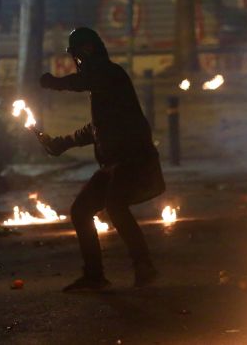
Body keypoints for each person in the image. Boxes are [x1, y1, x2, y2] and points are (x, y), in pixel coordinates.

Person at [38, 27, 165, 292]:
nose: (77, 63)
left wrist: (54, 82)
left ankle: (144, 266)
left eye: (78, 57)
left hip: (133, 161)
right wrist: (62, 143)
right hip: (113, 165)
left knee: (116, 206)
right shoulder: (103, 85)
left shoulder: (110, 75)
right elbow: (96, 128)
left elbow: (84, 81)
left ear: (87, 51)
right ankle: (94, 275)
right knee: (81, 211)